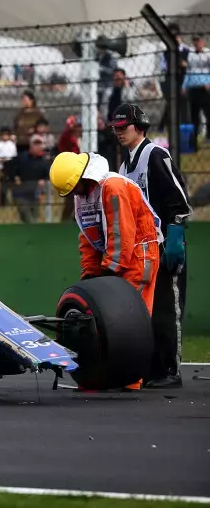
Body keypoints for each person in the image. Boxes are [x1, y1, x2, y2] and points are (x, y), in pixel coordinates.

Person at [48, 151, 162, 390]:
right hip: (116, 255)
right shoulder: (83, 195)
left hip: (139, 255)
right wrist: (90, 277)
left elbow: (122, 234)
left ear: (82, 178)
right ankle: (106, 375)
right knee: (104, 317)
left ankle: (131, 379)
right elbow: (88, 237)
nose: (73, 195)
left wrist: (108, 278)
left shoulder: (113, 187)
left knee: (130, 317)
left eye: (74, 189)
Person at [112, 103, 192, 388]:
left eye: (124, 127)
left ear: (140, 127)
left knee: (168, 309)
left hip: (164, 243)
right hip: (143, 251)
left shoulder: (155, 154)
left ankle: (170, 370)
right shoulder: (124, 167)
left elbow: (178, 198)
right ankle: (153, 368)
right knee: (148, 311)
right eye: (116, 128)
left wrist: (175, 235)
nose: (119, 132)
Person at [11, 135, 50, 224]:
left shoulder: (45, 160)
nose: (37, 146)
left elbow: (49, 174)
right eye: (35, 144)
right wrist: (14, 178)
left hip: (35, 192)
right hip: (21, 191)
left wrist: (43, 179)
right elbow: (9, 167)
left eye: (39, 144)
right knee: (26, 215)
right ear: (31, 145)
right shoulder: (22, 157)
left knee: (34, 217)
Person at [0, 126, 17, 207]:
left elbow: (14, 155)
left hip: (11, 166)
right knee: (3, 185)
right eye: (3, 135)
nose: (5, 137)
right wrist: (0, 159)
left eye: (6, 135)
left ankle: (15, 199)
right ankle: (2, 202)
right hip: (3, 167)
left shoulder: (12, 145)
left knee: (13, 184)